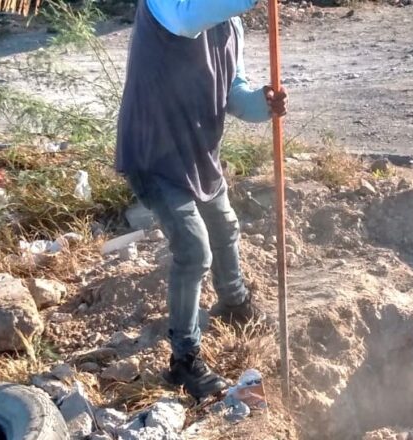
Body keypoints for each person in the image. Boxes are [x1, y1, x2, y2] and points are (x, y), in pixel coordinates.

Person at [115, 0, 288, 399]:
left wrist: (263, 104)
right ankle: (184, 360)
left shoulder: (229, 26)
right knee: (193, 251)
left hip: (197, 154)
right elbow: (187, 19)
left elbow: (235, 92)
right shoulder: (164, 6)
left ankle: (234, 303)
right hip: (153, 156)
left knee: (224, 226)